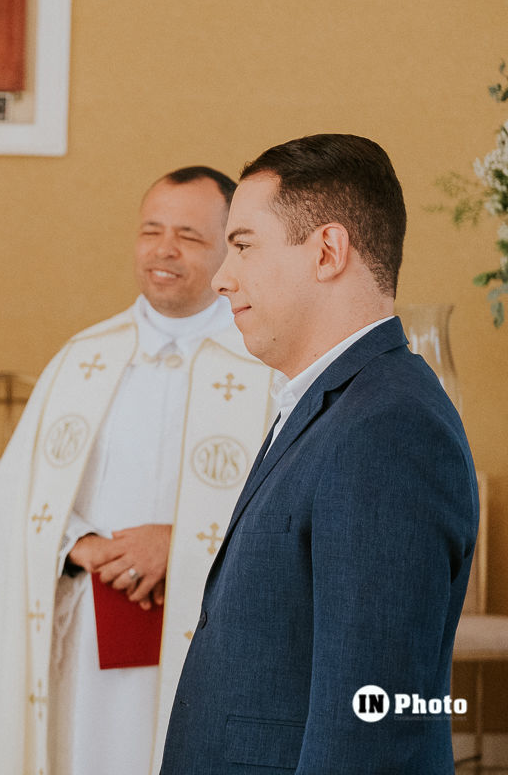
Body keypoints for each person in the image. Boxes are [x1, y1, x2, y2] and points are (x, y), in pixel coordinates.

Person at [159, 134, 480, 774]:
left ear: (328, 251)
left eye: (244, 245)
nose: (223, 278)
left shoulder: (389, 427)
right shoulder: (335, 405)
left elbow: (377, 717)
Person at [0, 167, 275, 775]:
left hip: (209, 632)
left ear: (232, 247)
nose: (163, 250)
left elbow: (289, 499)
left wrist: (180, 543)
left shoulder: (266, 363)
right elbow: (22, 499)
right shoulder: (83, 359)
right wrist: (84, 545)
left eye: (189, 236)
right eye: (151, 231)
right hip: (90, 638)